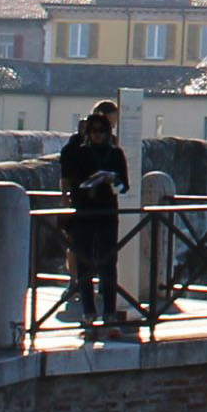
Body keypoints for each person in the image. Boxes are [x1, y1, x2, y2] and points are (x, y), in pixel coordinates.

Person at [58, 105, 129, 333]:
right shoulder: (77, 152)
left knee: (109, 264)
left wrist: (112, 180)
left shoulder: (116, 154)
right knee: (84, 263)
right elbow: (68, 178)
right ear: (88, 132)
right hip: (84, 212)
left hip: (107, 212)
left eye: (101, 130)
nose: (97, 134)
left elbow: (124, 186)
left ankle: (109, 313)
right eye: (93, 130)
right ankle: (89, 313)